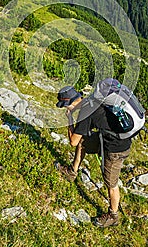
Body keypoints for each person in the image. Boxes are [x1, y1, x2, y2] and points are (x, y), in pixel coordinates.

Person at [56, 84, 131, 228]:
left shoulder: (85, 112)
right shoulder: (92, 100)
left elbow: (73, 141)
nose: (65, 109)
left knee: (111, 183)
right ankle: (72, 172)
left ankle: (113, 215)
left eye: (65, 106)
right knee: (83, 142)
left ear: (70, 103)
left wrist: (70, 119)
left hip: (116, 149)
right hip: (112, 139)